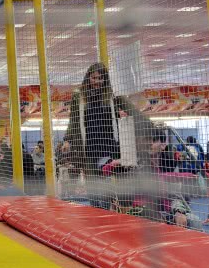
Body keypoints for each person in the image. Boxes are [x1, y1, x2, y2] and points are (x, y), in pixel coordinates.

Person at [66, 62, 158, 208]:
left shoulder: (112, 95)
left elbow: (133, 111)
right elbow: (74, 120)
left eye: (100, 78)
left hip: (109, 146)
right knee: (94, 187)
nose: (96, 81)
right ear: (88, 77)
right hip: (88, 147)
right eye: (94, 78)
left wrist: (152, 128)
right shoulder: (78, 96)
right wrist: (67, 140)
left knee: (110, 185)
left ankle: (111, 210)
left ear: (105, 79)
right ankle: (98, 211)